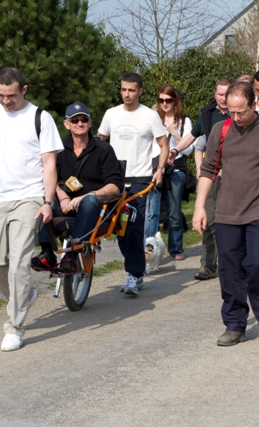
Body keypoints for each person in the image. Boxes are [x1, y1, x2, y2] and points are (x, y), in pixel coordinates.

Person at [0, 67, 63, 351]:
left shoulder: (40, 118)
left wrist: (47, 202)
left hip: (28, 199)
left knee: (19, 263)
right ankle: (24, 295)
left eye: (11, 95)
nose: (5, 100)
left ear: (24, 90)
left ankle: (14, 327)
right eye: (0, 94)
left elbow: (49, 165)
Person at [192, 81, 259, 347]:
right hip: (227, 211)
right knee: (230, 270)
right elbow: (207, 171)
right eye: (232, 112)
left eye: (242, 112)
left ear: (253, 105)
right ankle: (235, 325)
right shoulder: (221, 130)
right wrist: (199, 207)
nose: (236, 118)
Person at [98, 72, 169, 296]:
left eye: (131, 90)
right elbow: (100, 142)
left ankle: (134, 275)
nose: (126, 94)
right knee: (119, 230)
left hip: (140, 181)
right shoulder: (111, 114)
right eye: (123, 90)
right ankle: (136, 270)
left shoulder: (150, 116)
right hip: (115, 181)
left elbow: (163, 144)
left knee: (135, 227)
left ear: (140, 91)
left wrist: (160, 169)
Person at [31, 102, 124, 272]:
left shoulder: (104, 149)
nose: (80, 123)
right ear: (67, 124)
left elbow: (115, 186)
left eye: (83, 119)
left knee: (89, 201)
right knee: (40, 200)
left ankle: (71, 256)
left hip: (95, 206)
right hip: (63, 204)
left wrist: (85, 196)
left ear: (89, 122)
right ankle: (47, 253)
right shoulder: (58, 149)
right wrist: (62, 196)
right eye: (74, 120)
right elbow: (49, 177)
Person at [168, 78, 232, 280]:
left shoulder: (240, 113)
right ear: (215, 94)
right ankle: (208, 265)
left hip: (237, 176)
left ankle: (236, 264)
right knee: (209, 220)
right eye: (220, 94)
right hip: (213, 175)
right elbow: (193, 136)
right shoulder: (208, 114)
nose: (223, 98)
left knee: (237, 222)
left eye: (226, 94)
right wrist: (175, 150)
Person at [145, 85, 193, 260]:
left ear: (175, 101)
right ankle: (149, 250)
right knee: (152, 212)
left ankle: (176, 248)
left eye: (168, 100)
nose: (164, 104)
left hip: (176, 166)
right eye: (161, 100)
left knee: (174, 211)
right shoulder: (152, 118)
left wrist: (173, 132)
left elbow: (189, 150)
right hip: (155, 166)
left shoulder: (184, 121)